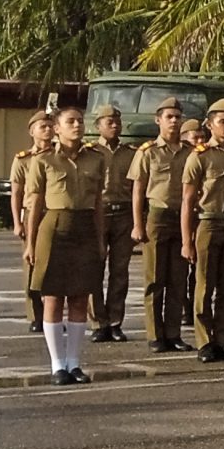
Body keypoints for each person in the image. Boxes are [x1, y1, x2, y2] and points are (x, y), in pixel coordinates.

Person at [22, 104, 105, 383]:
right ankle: (57, 365)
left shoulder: (95, 158)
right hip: (54, 228)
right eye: (71, 121)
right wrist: (30, 243)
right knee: (54, 297)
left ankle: (74, 363)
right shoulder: (43, 160)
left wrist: (100, 239)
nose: (77, 126)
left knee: (81, 296)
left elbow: (97, 204)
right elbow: (34, 205)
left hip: (84, 228)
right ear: (57, 128)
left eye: (80, 121)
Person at [181, 98, 224, 364]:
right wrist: (187, 240)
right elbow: (187, 201)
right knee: (204, 286)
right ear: (210, 125)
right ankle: (204, 341)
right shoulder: (199, 156)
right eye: (223, 122)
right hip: (208, 223)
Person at [130, 98, 193, 351]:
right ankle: (156, 335)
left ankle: (174, 333)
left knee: (178, 279)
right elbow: (138, 190)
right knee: (155, 279)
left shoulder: (190, 152)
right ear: (158, 120)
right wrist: (137, 223)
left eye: (178, 117)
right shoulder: (148, 152)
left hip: (183, 218)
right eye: (169, 116)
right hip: (157, 215)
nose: (174, 121)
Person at [89, 106, 137, 342]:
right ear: (98, 125)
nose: (114, 125)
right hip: (99, 214)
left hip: (124, 214)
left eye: (117, 121)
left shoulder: (130, 152)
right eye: (109, 121)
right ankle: (99, 322)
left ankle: (116, 322)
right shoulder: (90, 152)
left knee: (120, 271)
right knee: (94, 270)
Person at [10, 112, 51, 331]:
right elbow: (16, 194)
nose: (47, 129)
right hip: (31, 215)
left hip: (54, 213)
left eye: (50, 125)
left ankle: (52, 316)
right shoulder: (23, 159)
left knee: (55, 267)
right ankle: (36, 315)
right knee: (32, 265)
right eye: (42, 126)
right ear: (31, 131)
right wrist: (17, 222)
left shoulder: (59, 155)